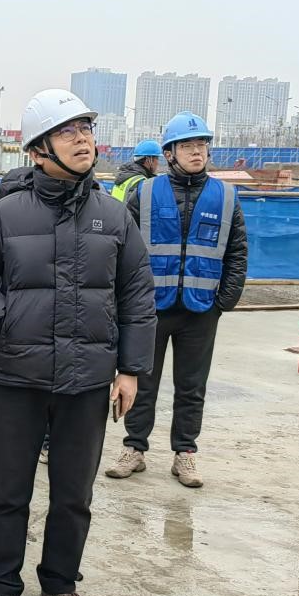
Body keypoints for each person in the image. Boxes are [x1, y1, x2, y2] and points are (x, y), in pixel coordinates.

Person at [0, 89, 155, 596]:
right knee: (9, 491)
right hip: (19, 376)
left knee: (73, 494)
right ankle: (1, 588)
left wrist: (130, 370)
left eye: (86, 129)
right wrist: (4, 321)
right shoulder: (3, 215)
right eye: (68, 131)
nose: (83, 139)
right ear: (38, 149)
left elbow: (137, 294)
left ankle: (61, 585)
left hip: (87, 379)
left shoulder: (114, 216)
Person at [107, 111, 248, 488]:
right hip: (151, 308)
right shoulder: (146, 193)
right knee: (141, 380)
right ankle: (134, 447)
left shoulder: (226, 196)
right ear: (169, 153)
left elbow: (237, 251)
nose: (197, 151)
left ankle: (185, 453)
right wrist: (127, 300)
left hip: (201, 310)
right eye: (187, 146)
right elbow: (124, 248)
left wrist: (225, 300)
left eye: (202, 144)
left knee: (192, 386)